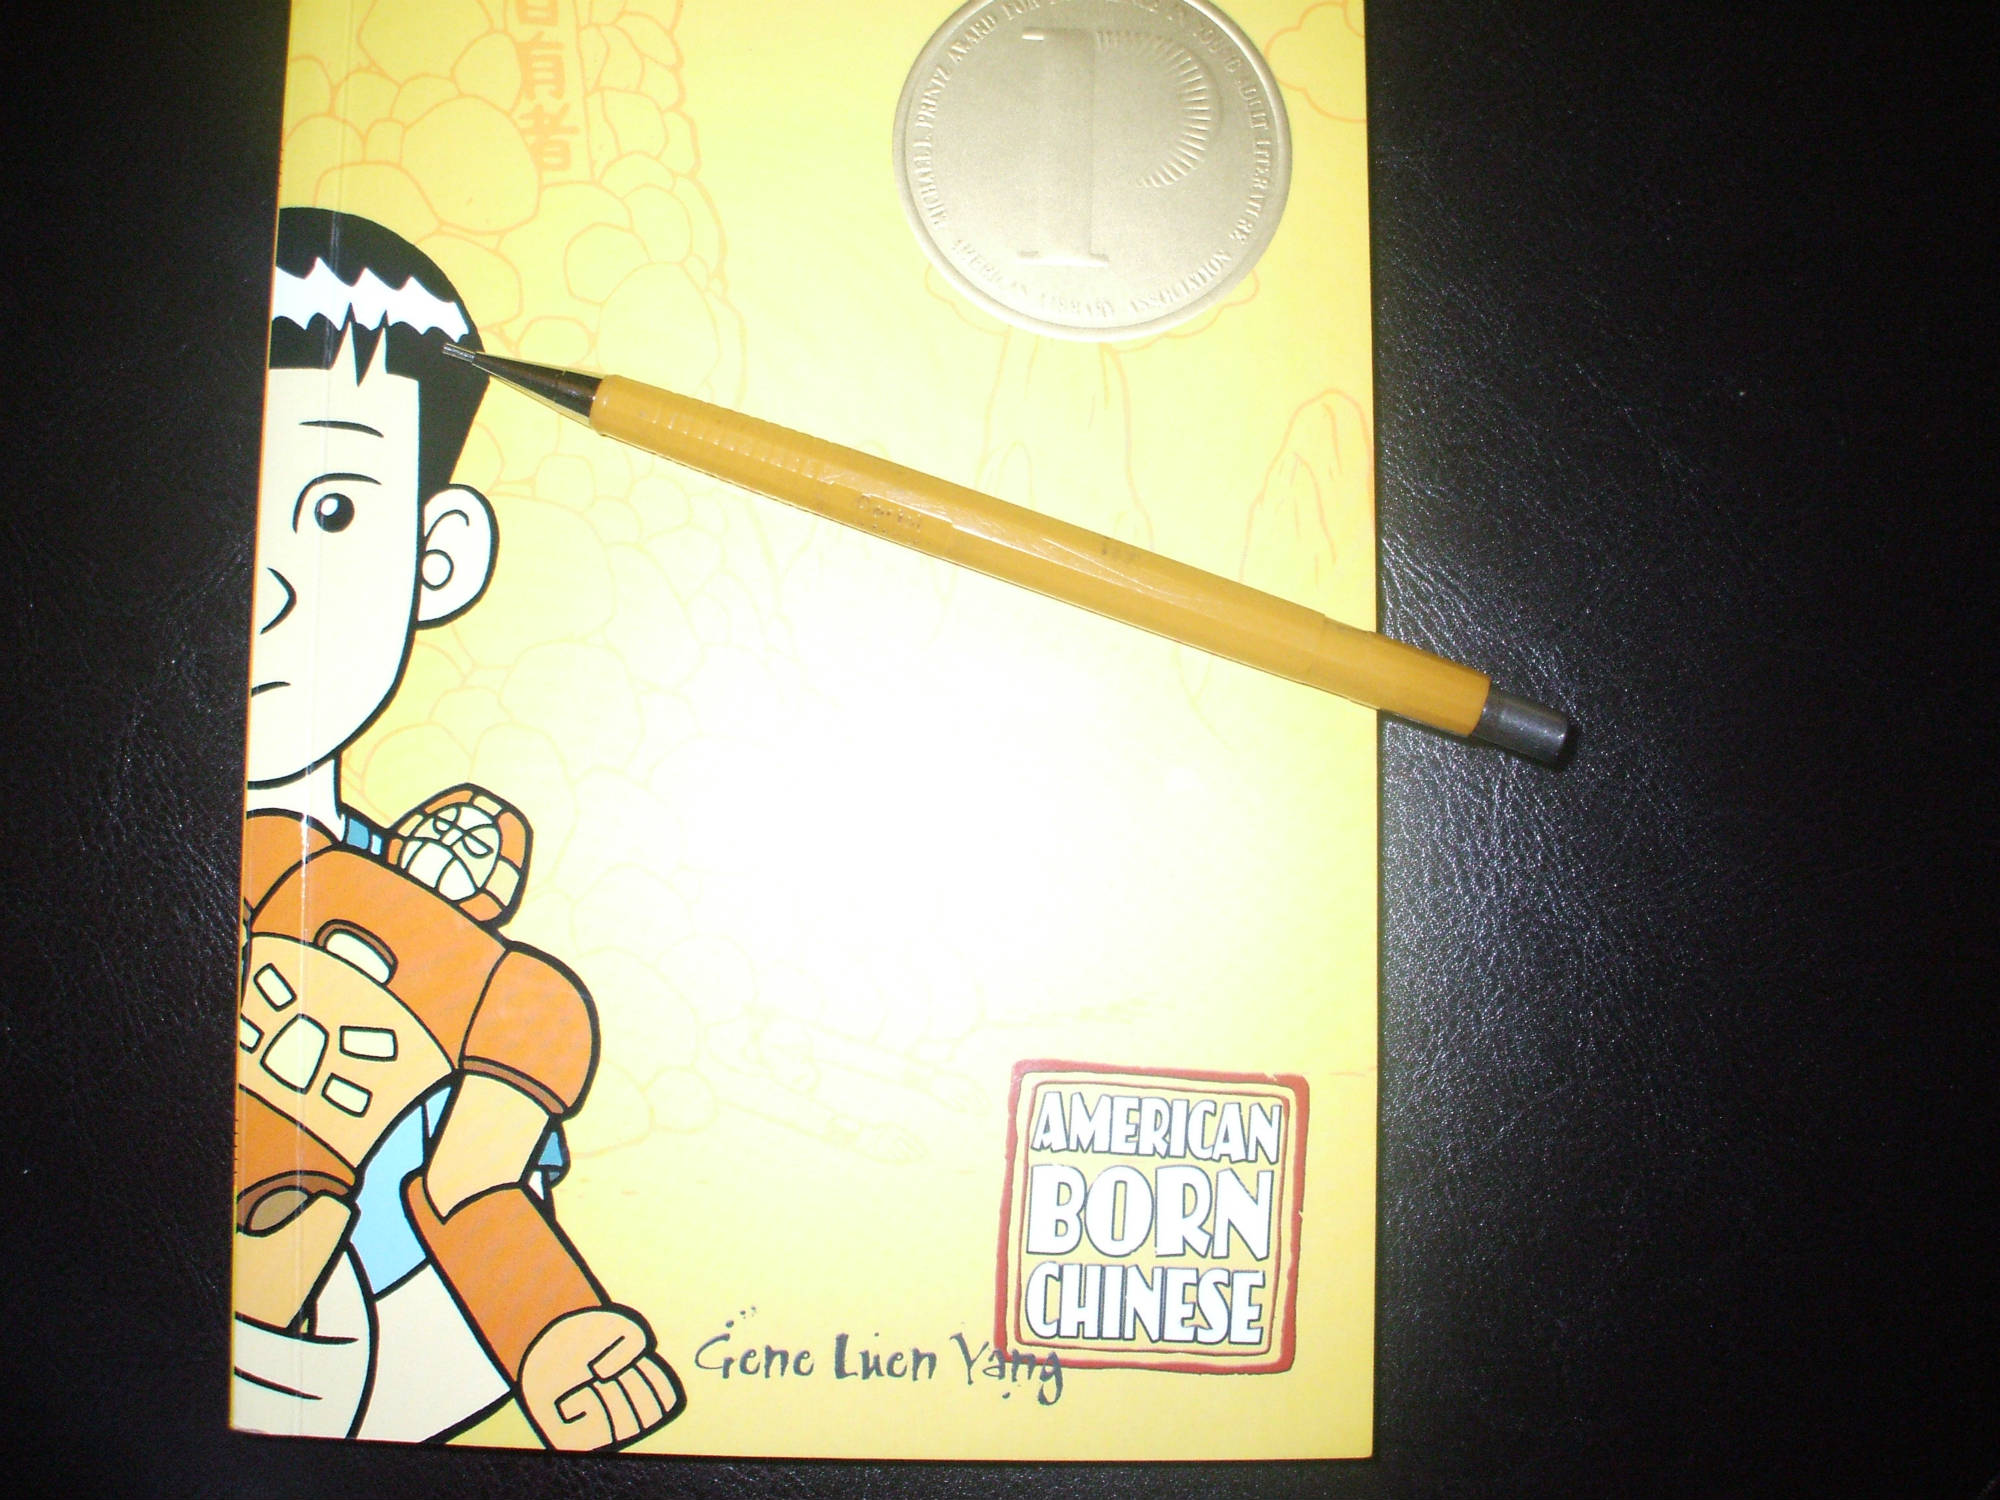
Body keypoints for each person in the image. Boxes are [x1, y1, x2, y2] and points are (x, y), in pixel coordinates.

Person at [231, 207, 681, 1450]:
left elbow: (471, 1196)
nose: (263, 578)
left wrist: (547, 1334)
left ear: (438, 556)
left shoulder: (433, 954)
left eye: (330, 512)